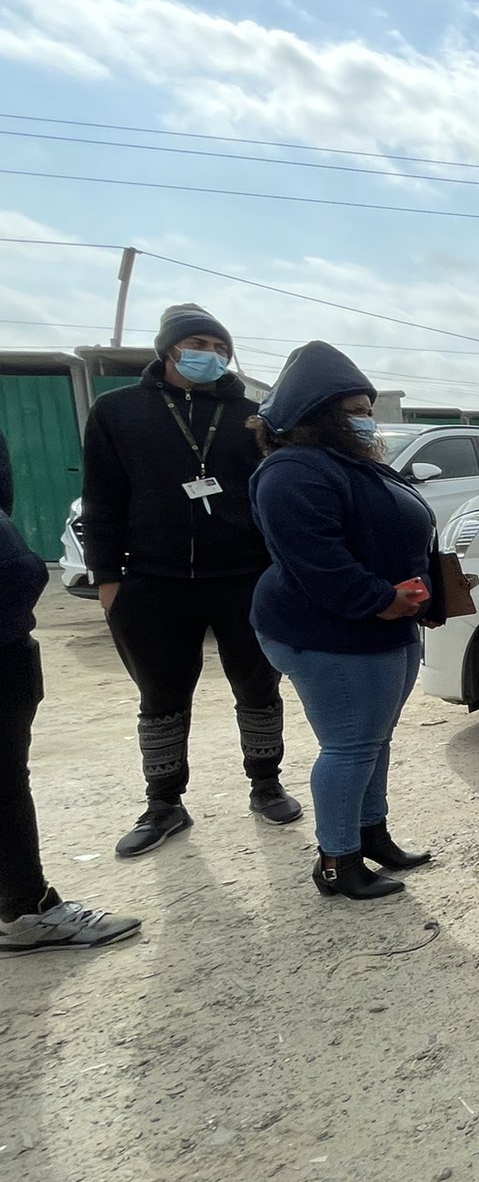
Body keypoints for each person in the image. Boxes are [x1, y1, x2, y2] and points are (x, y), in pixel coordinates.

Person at [80, 303, 301, 857]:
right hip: (154, 581)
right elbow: (103, 498)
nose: (212, 354)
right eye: (200, 343)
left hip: (244, 578)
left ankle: (265, 783)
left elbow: (274, 496)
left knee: (257, 686)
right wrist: (109, 579)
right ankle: (164, 803)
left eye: (221, 346)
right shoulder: (118, 411)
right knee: (161, 695)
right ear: (169, 348)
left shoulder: (253, 417)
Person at [248, 343, 444, 901]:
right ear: (317, 413)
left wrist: (416, 599)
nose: (364, 418)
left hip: (384, 625)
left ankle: (370, 835)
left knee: (373, 740)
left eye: (366, 406)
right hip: (334, 632)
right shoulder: (292, 471)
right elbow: (317, 560)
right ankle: (337, 860)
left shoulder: (352, 464)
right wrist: (380, 599)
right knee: (350, 745)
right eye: (352, 408)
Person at [0, 427, 141, 954]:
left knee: (6, 778)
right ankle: (25, 909)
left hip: (8, 637)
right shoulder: (117, 415)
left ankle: (23, 906)